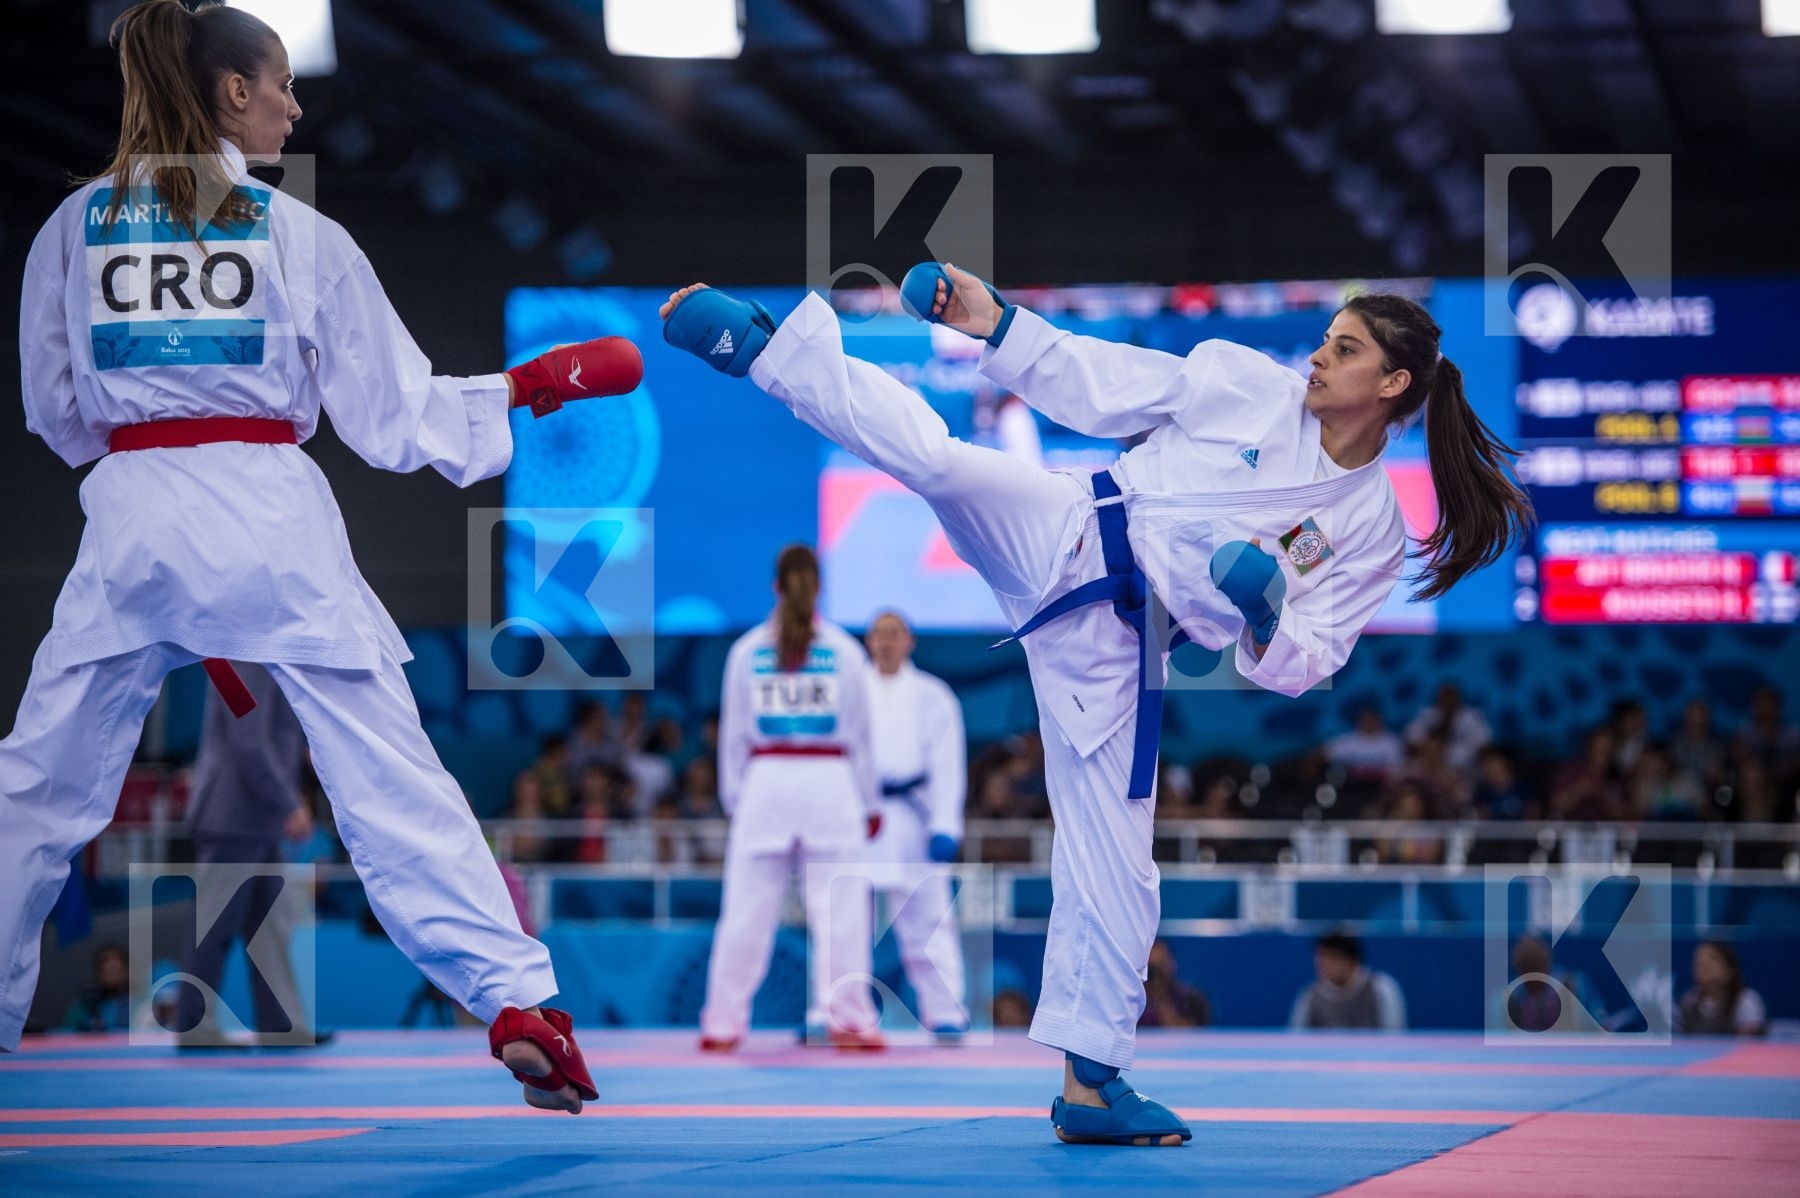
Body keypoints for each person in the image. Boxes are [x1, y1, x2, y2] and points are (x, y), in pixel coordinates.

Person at [660, 257, 1530, 1145]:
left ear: (1389, 384)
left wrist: (1265, 615)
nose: (1315, 359)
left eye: (1341, 351)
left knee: (1115, 862)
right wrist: (993, 323)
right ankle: (766, 354)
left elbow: (1302, 664)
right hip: (1071, 525)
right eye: (1322, 340)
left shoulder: (1371, 528)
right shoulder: (1245, 382)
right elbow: (1103, 382)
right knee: (940, 461)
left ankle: (1090, 1085)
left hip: (1124, 647)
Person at [1, 0, 644, 1111]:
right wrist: (528, 390)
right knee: (390, 777)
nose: (297, 108)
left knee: (35, 789)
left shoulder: (72, 227)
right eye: (284, 85)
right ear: (234, 93)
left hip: (132, 527)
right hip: (272, 528)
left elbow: (54, 410)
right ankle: (518, 1003)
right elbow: (395, 421)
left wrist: (144, 468)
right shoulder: (294, 232)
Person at [699, 545, 885, 1052]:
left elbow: (734, 737)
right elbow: (862, 739)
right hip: (830, 781)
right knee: (842, 908)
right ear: (818, 587)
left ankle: (722, 1022)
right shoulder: (845, 651)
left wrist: (738, 799)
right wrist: (870, 804)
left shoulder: (746, 651)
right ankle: (849, 1017)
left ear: (775, 587)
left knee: (745, 910)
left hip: (766, 780)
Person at [173, 662, 328, 1047]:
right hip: (233, 815)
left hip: (256, 816)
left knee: (270, 930)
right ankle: (194, 1025)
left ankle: (282, 1026)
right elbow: (247, 740)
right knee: (214, 927)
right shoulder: (244, 657)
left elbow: (263, 734)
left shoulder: (257, 655)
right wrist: (289, 803)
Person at [862, 610, 971, 1038]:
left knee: (929, 920)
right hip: (860, 817)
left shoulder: (934, 695)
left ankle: (946, 1010)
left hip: (914, 817)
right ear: (869, 642)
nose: (886, 643)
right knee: (844, 919)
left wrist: (946, 824)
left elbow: (948, 765)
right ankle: (831, 1009)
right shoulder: (851, 690)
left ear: (909, 641)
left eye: (894, 635)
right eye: (879, 635)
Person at [1289, 933, 1407, 1031]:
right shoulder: (1310, 995)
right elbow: (1296, 1038)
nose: (1323, 966)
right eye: (1321, 960)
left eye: (1331, 958)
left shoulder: (1380, 988)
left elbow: (1393, 1035)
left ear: (1352, 961)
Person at [1676, 941, 1768, 1036]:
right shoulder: (1688, 1002)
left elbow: (1750, 1044)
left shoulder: (1746, 1002)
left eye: (1712, 958)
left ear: (1730, 969)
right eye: (1699, 959)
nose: (1704, 963)